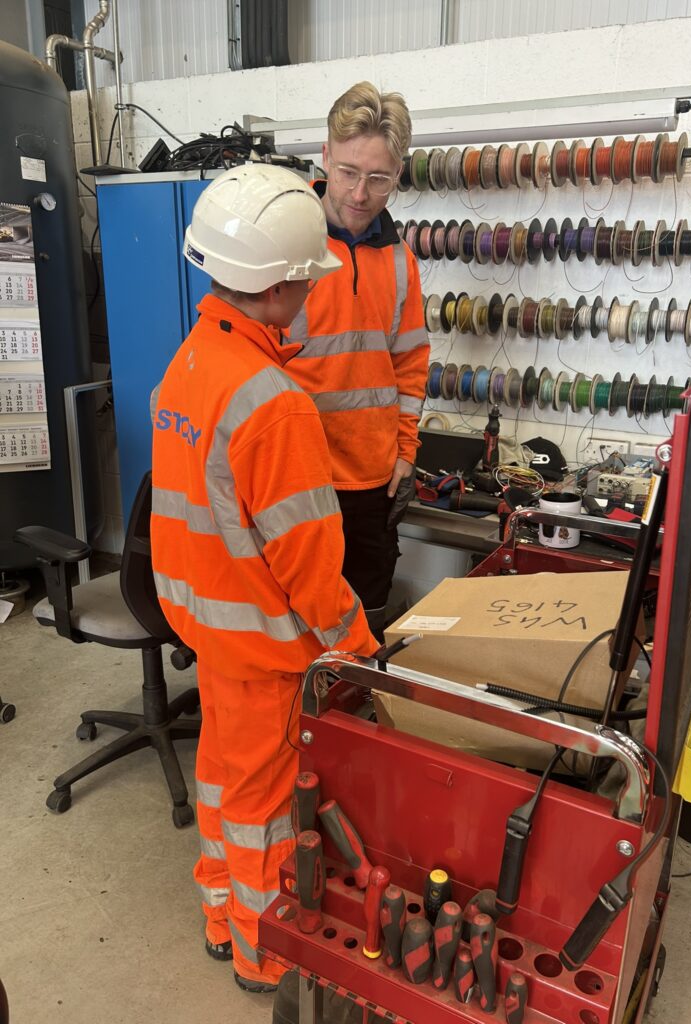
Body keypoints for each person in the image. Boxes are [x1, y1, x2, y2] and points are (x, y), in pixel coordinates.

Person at [150, 163, 378, 994]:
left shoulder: (192, 362)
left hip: (210, 631)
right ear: (278, 288)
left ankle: (221, 913)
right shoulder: (275, 403)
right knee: (266, 808)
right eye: (308, 280)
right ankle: (261, 952)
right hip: (264, 648)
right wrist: (357, 647)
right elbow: (309, 564)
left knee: (221, 779)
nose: (312, 293)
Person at [286, 82, 430, 639]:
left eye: (379, 179)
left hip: (373, 478)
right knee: (297, 621)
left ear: (398, 174)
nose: (360, 193)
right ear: (325, 155)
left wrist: (405, 452)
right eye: (348, 172)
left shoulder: (399, 261)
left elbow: (410, 363)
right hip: (295, 476)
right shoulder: (284, 244)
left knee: (364, 615)